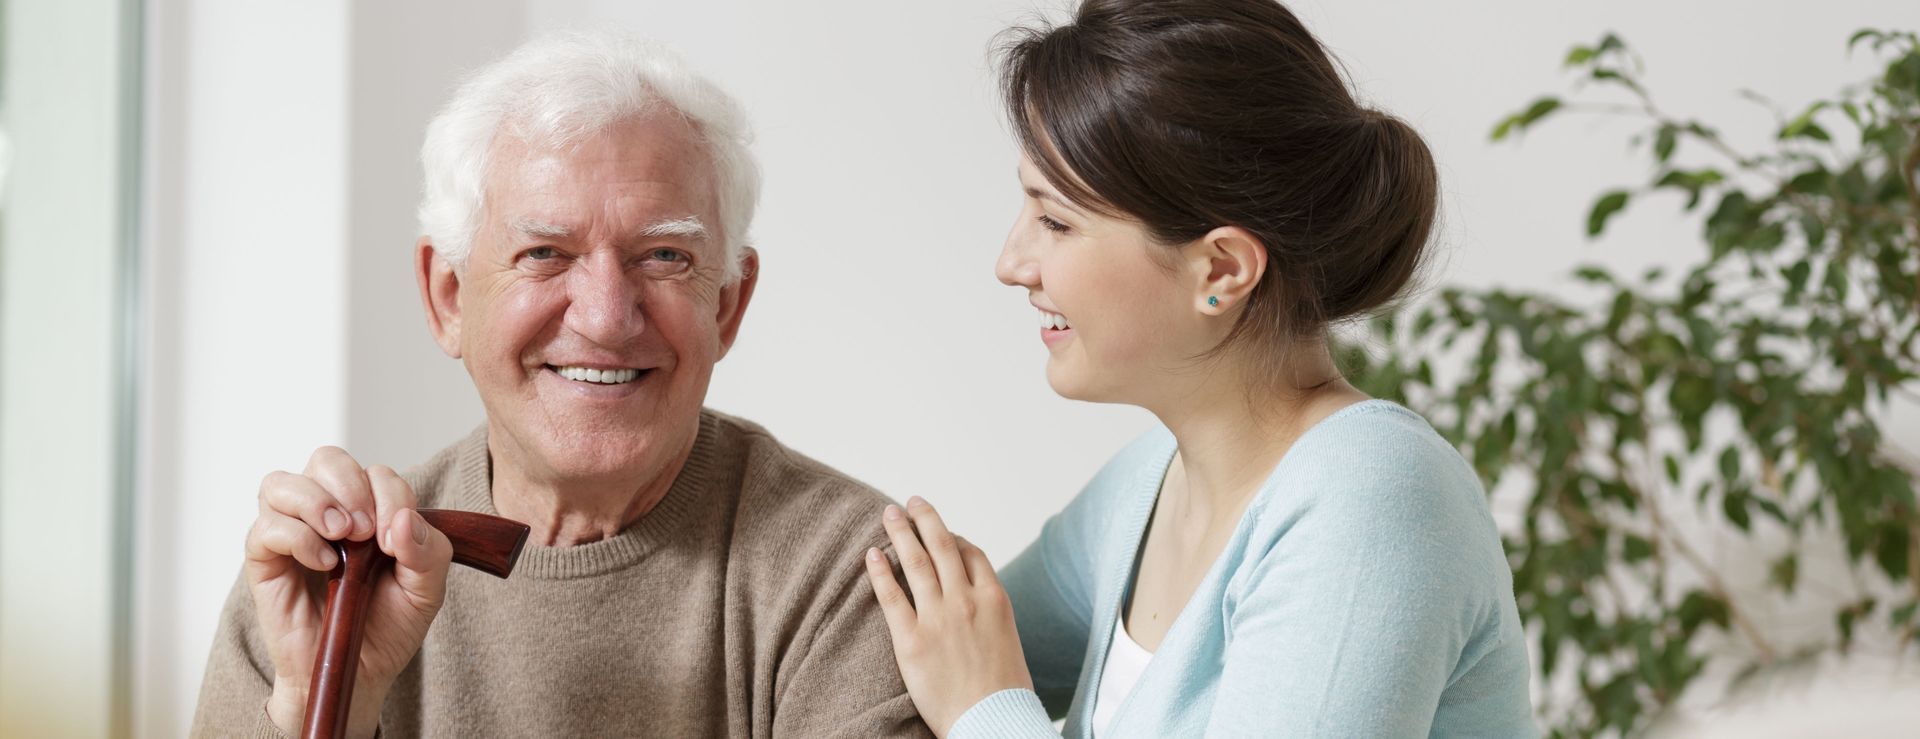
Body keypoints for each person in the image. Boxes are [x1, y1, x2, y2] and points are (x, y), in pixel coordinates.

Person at [190, 32, 929, 738]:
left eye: (664, 255)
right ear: (448, 296)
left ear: (728, 304)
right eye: (545, 252)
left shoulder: (857, 578)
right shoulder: (323, 576)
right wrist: (322, 707)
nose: (607, 317)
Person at [861, 1, 1537, 736]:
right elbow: (910, 650)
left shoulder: (1371, 498)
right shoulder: (1151, 480)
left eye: (1054, 220)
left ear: (1220, 269)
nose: (1011, 263)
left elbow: (968, 685)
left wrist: (984, 714)